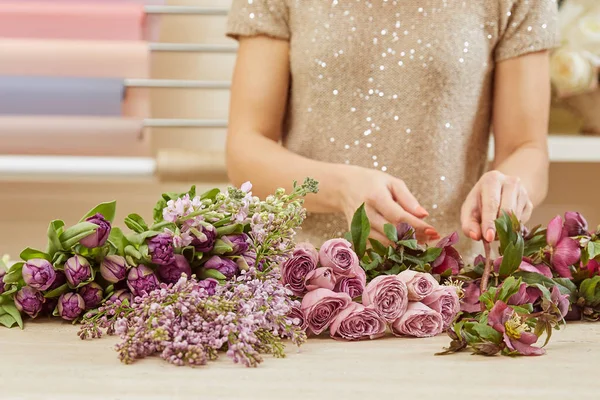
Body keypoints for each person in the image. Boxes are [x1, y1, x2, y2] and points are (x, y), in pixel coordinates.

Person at [225, 0, 558, 257]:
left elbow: (525, 148)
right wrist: (340, 187)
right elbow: (246, 149)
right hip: (307, 282)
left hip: (449, 289)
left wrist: (507, 188)